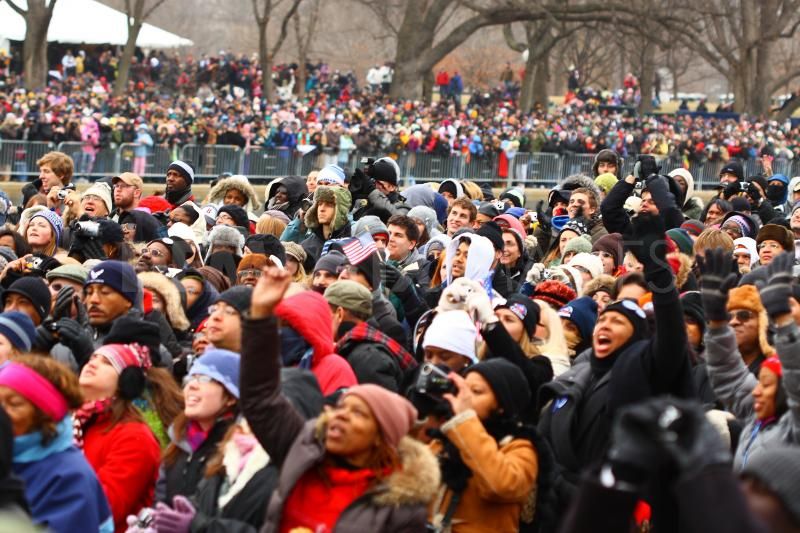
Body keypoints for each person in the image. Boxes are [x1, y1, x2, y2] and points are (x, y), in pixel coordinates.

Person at [240, 266, 439, 532]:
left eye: (359, 414)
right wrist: (261, 317)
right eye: (342, 407)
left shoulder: (400, 510)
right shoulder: (303, 449)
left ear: (382, 437)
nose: (341, 414)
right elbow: (260, 398)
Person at [538, 213, 695, 529]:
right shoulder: (576, 373)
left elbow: (671, 339)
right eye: (603, 319)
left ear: (637, 336)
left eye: (618, 321)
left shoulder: (645, 370)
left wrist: (659, 272)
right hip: (556, 511)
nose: (605, 325)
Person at [701, 251, 800, 470]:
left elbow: (796, 373)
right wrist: (717, 323)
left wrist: (784, 321)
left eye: (765, 385)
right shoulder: (758, 417)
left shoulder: (793, 427)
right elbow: (730, 378)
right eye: (730, 317)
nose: (755, 390)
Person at [0, 356, 113, 533]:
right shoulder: (9, 457)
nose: (2, 413)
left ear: (44, 417)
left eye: (13, 404)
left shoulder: (69, 477)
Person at [76, 342, 181, 531]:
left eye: (107, 362)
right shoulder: (73, 422)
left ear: (125, 382)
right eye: (92, 358)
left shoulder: (134, 436)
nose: (92, 364)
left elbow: (104, 508)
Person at [428, 358, 540, 532]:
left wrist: (465, 421)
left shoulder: (521, 448)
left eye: (476, 391)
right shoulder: (446, 438)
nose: (464, 397)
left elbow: (499, 486)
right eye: (462, 389)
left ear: (502, 404)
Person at [156, 350, 240, 505]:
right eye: (191, 377)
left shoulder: (236, 452)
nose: (192, 385)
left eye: (204, 378)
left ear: (231, 397)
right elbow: (160, 501)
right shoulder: (178, 440)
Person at [326, 280, 416, 393]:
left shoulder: (367, 358)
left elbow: (380, 408)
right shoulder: (363, 346)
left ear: (340, 313)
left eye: (325, 313)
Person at [110, 173, 161, 243]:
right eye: (116, 186)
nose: (118, 189)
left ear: (136, 193)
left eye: (124, 186)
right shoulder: (110, 217)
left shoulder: (145, 223)